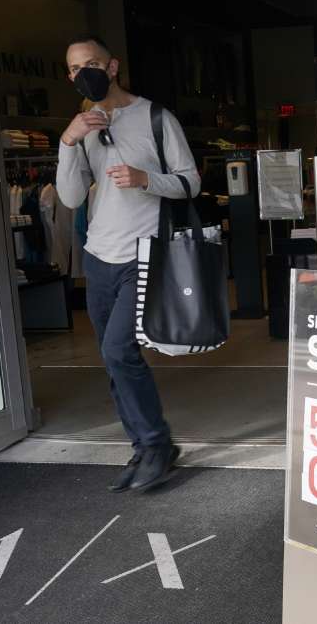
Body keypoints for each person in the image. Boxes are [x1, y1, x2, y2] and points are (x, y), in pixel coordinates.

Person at [56, 35, 200, 492]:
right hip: (99, 256)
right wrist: (68, 140)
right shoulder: (81, 127)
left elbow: (191, 182)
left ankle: (156, 443)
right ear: (70, 76)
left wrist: (146, 180)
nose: (85, 73)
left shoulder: (156, 117)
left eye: (93, 64)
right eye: (76, 69)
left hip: (145, 252)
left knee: (119, 351)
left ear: (113, 66)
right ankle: (143, 445)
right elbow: (70, 197)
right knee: (112, 357)